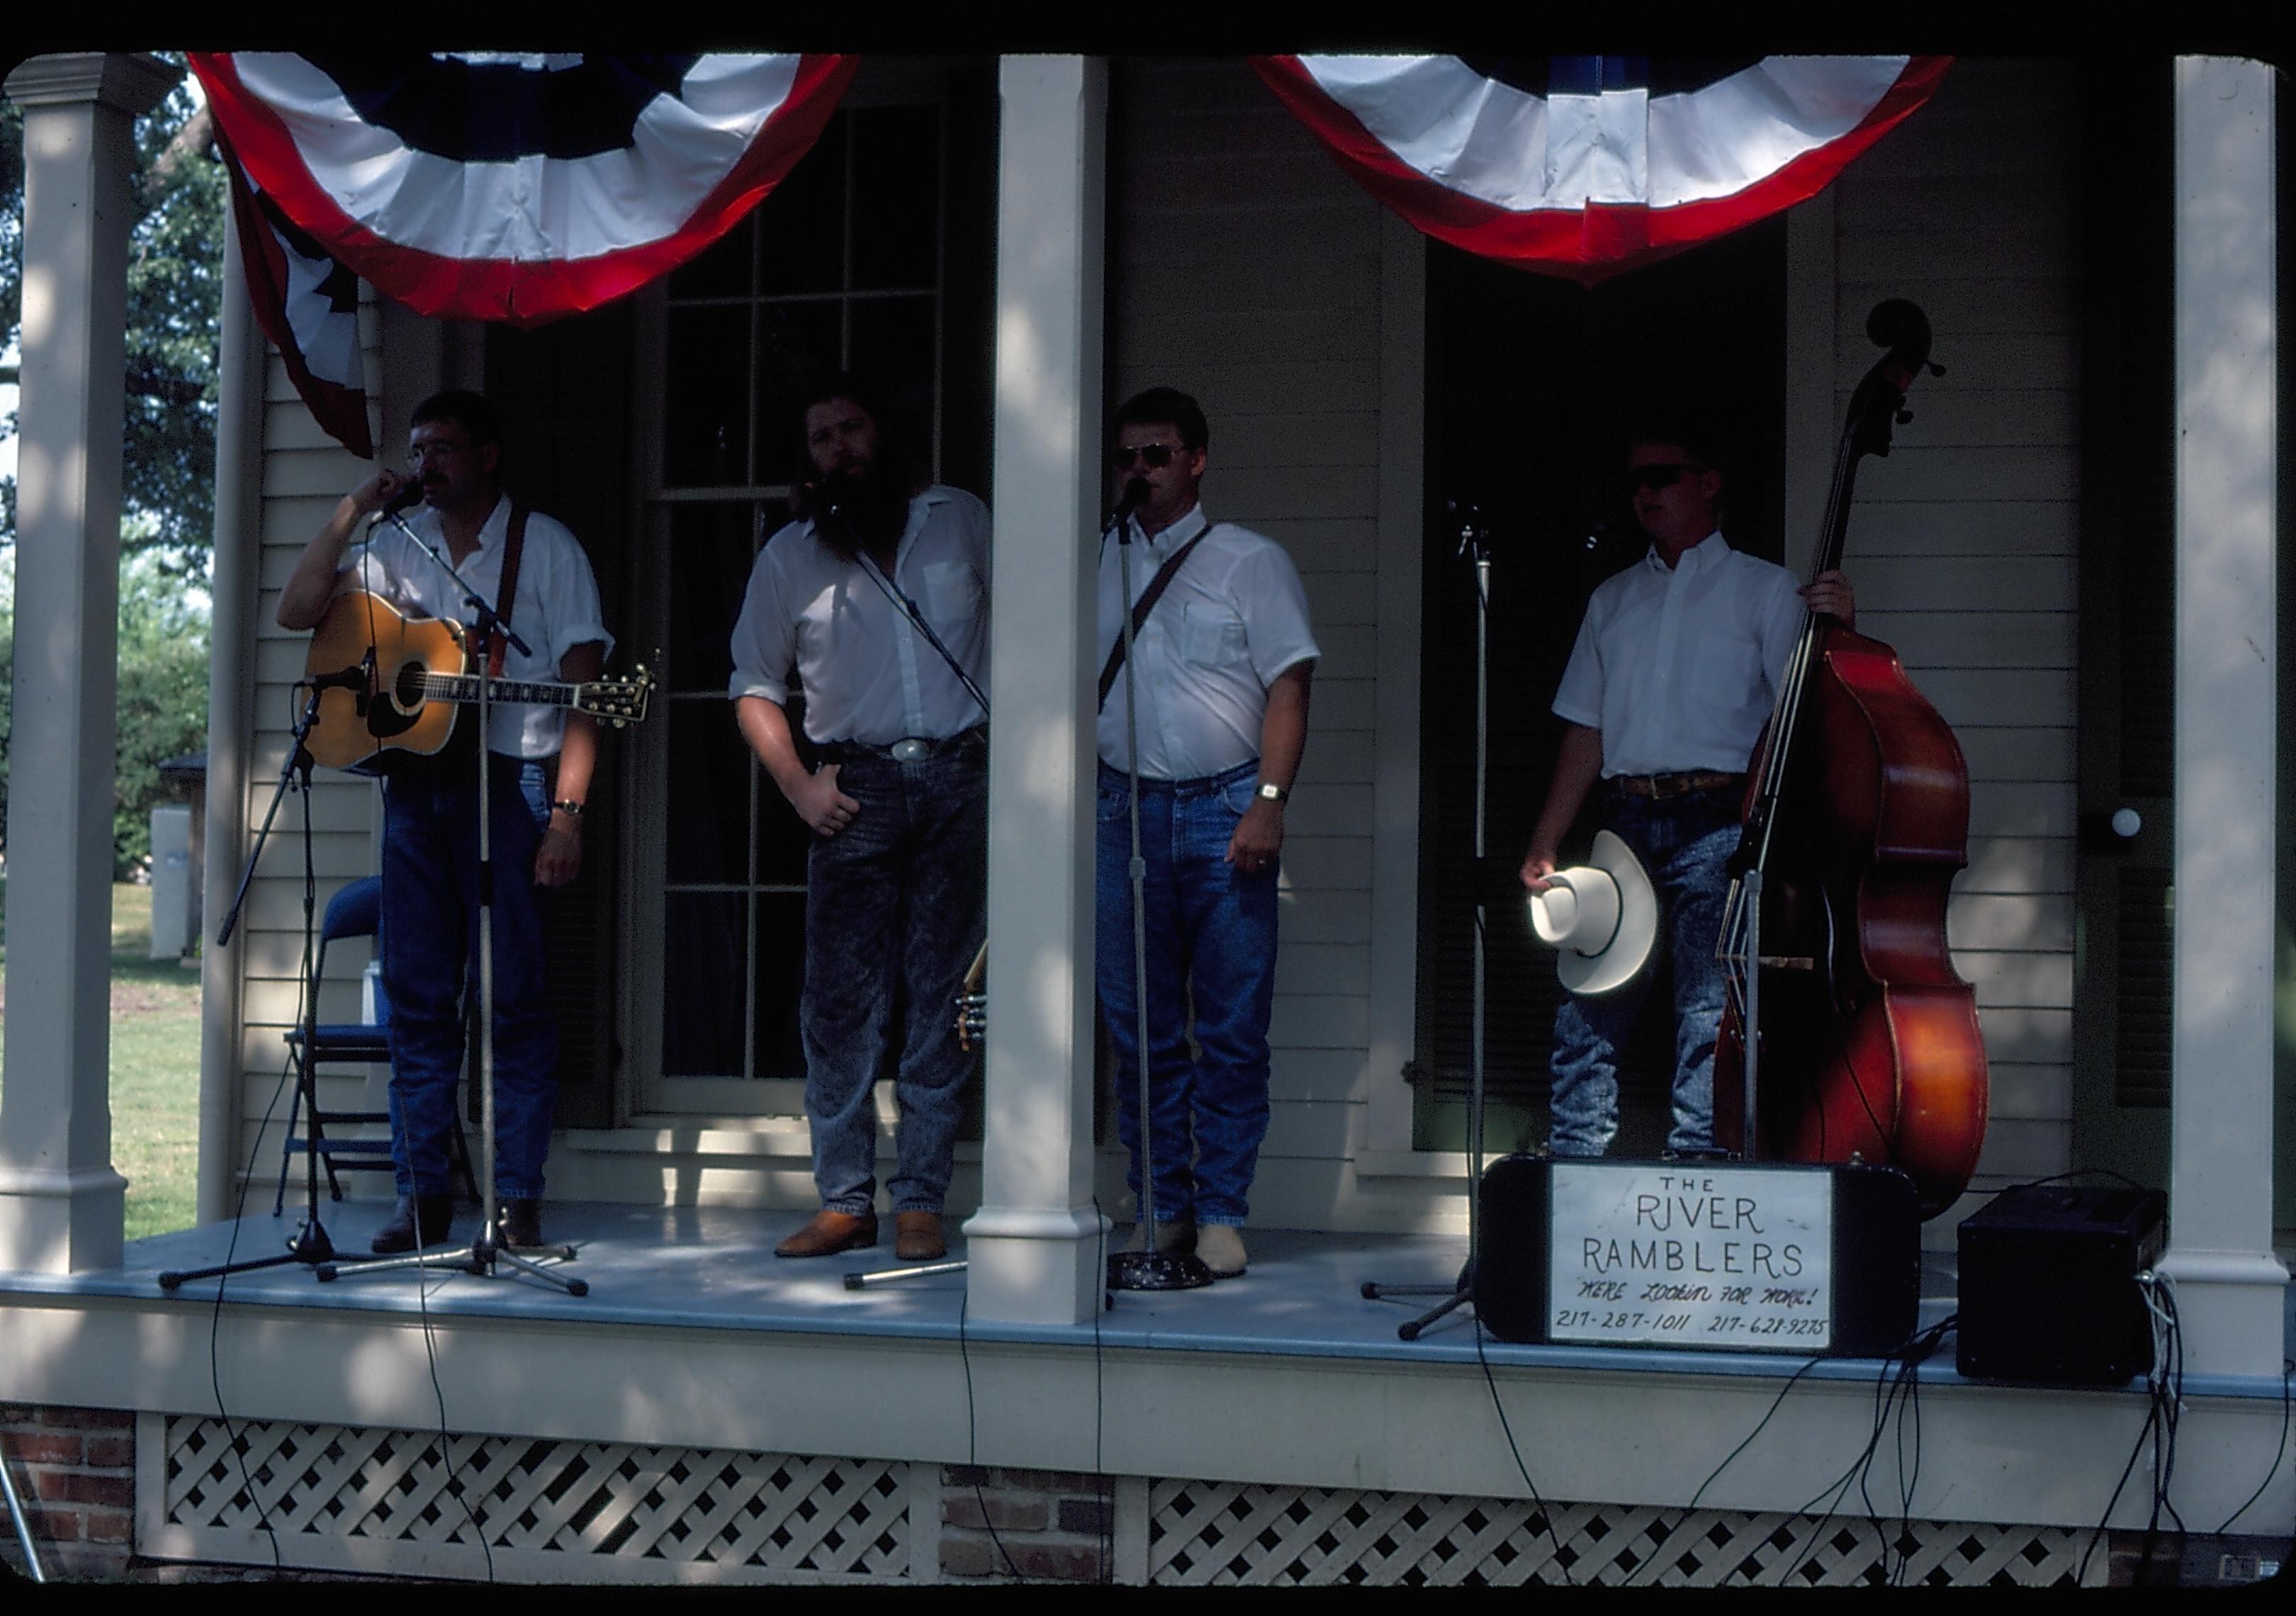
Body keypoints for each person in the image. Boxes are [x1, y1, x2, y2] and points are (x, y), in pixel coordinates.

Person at [276, 390, 610, 1253]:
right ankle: (423, 1197)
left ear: (488, 455)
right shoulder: (394, 546)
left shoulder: (545, 548)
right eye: (420, 449)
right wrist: (355, 507)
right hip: (417, 792)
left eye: (446, 448)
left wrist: (568, 818)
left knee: (516, 1002)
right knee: (419, 1004)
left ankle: (516, 1200)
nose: (429, 463)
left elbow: (583, 698)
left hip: (515, 784)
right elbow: (298, 608)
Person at [1519, 417, 1855, 1160]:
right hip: (1626, 817)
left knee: (1708, 1008)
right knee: (1591, 999)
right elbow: (1586, 728)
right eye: (1636, 481)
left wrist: (1840, 631)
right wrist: (1547, 837)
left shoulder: (1765, 591)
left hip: (1719, 814)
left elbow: (1799, 711)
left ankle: (1698, 1162)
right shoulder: (1613, 598)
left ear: (1709, 483)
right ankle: (1574, 1163)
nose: (1645, 493)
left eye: (1662, 476)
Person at [731, 376, 991, 1263]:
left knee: (946, 994)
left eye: (851, 426)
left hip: (962, 778)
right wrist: (800, 787)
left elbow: (1036, 631)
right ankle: (845, 1199)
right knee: (841, 1004)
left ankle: (921, 1197)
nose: (840, 446)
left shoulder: (959, 519)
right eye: (821, 435)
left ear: (884, 431)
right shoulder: (791, 558)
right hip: (855, 790)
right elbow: (754, 688)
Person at [1095, 388, 1319, 1279]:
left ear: (1196, 461)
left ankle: (1222, 1210)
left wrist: (1269, 800)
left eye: (1157, 454)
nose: (1140, 471)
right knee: (1138, 1024)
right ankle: (1161, 1207)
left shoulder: (1248, 560)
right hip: (1125, 807)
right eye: (1129, 457)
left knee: (1229, 1024)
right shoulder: (1100, 560)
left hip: (1226, 804)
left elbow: (1291, 689)